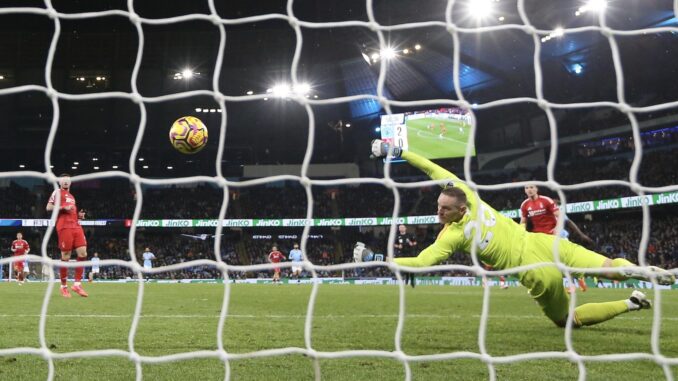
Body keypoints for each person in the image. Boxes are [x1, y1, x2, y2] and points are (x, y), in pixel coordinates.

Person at [360, 140, 675, 328]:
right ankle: (643, 278)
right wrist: (396, 150)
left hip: (534, 270)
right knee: (609, 268)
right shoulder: (470, 195)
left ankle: (632, 300)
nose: (438, 212)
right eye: (439, 206)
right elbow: (430, 169)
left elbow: (421, 262)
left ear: (459, 211)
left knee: (567, 322)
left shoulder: (454, 236)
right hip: (547, 243)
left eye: (444, 209)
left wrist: (376, 258)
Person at [46, 175, 89, 298]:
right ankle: (63, 287)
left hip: (76, 226)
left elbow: (71, 213)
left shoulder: (72, 197)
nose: (66, 181)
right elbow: (48, 207)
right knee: (66, 256)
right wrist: (63, 207)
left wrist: (79, 216)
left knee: (83, 253)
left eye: (68, 180)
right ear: (60, 182)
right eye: (63, 180)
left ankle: (77, 284)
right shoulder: (57, 192)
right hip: (64, 227)